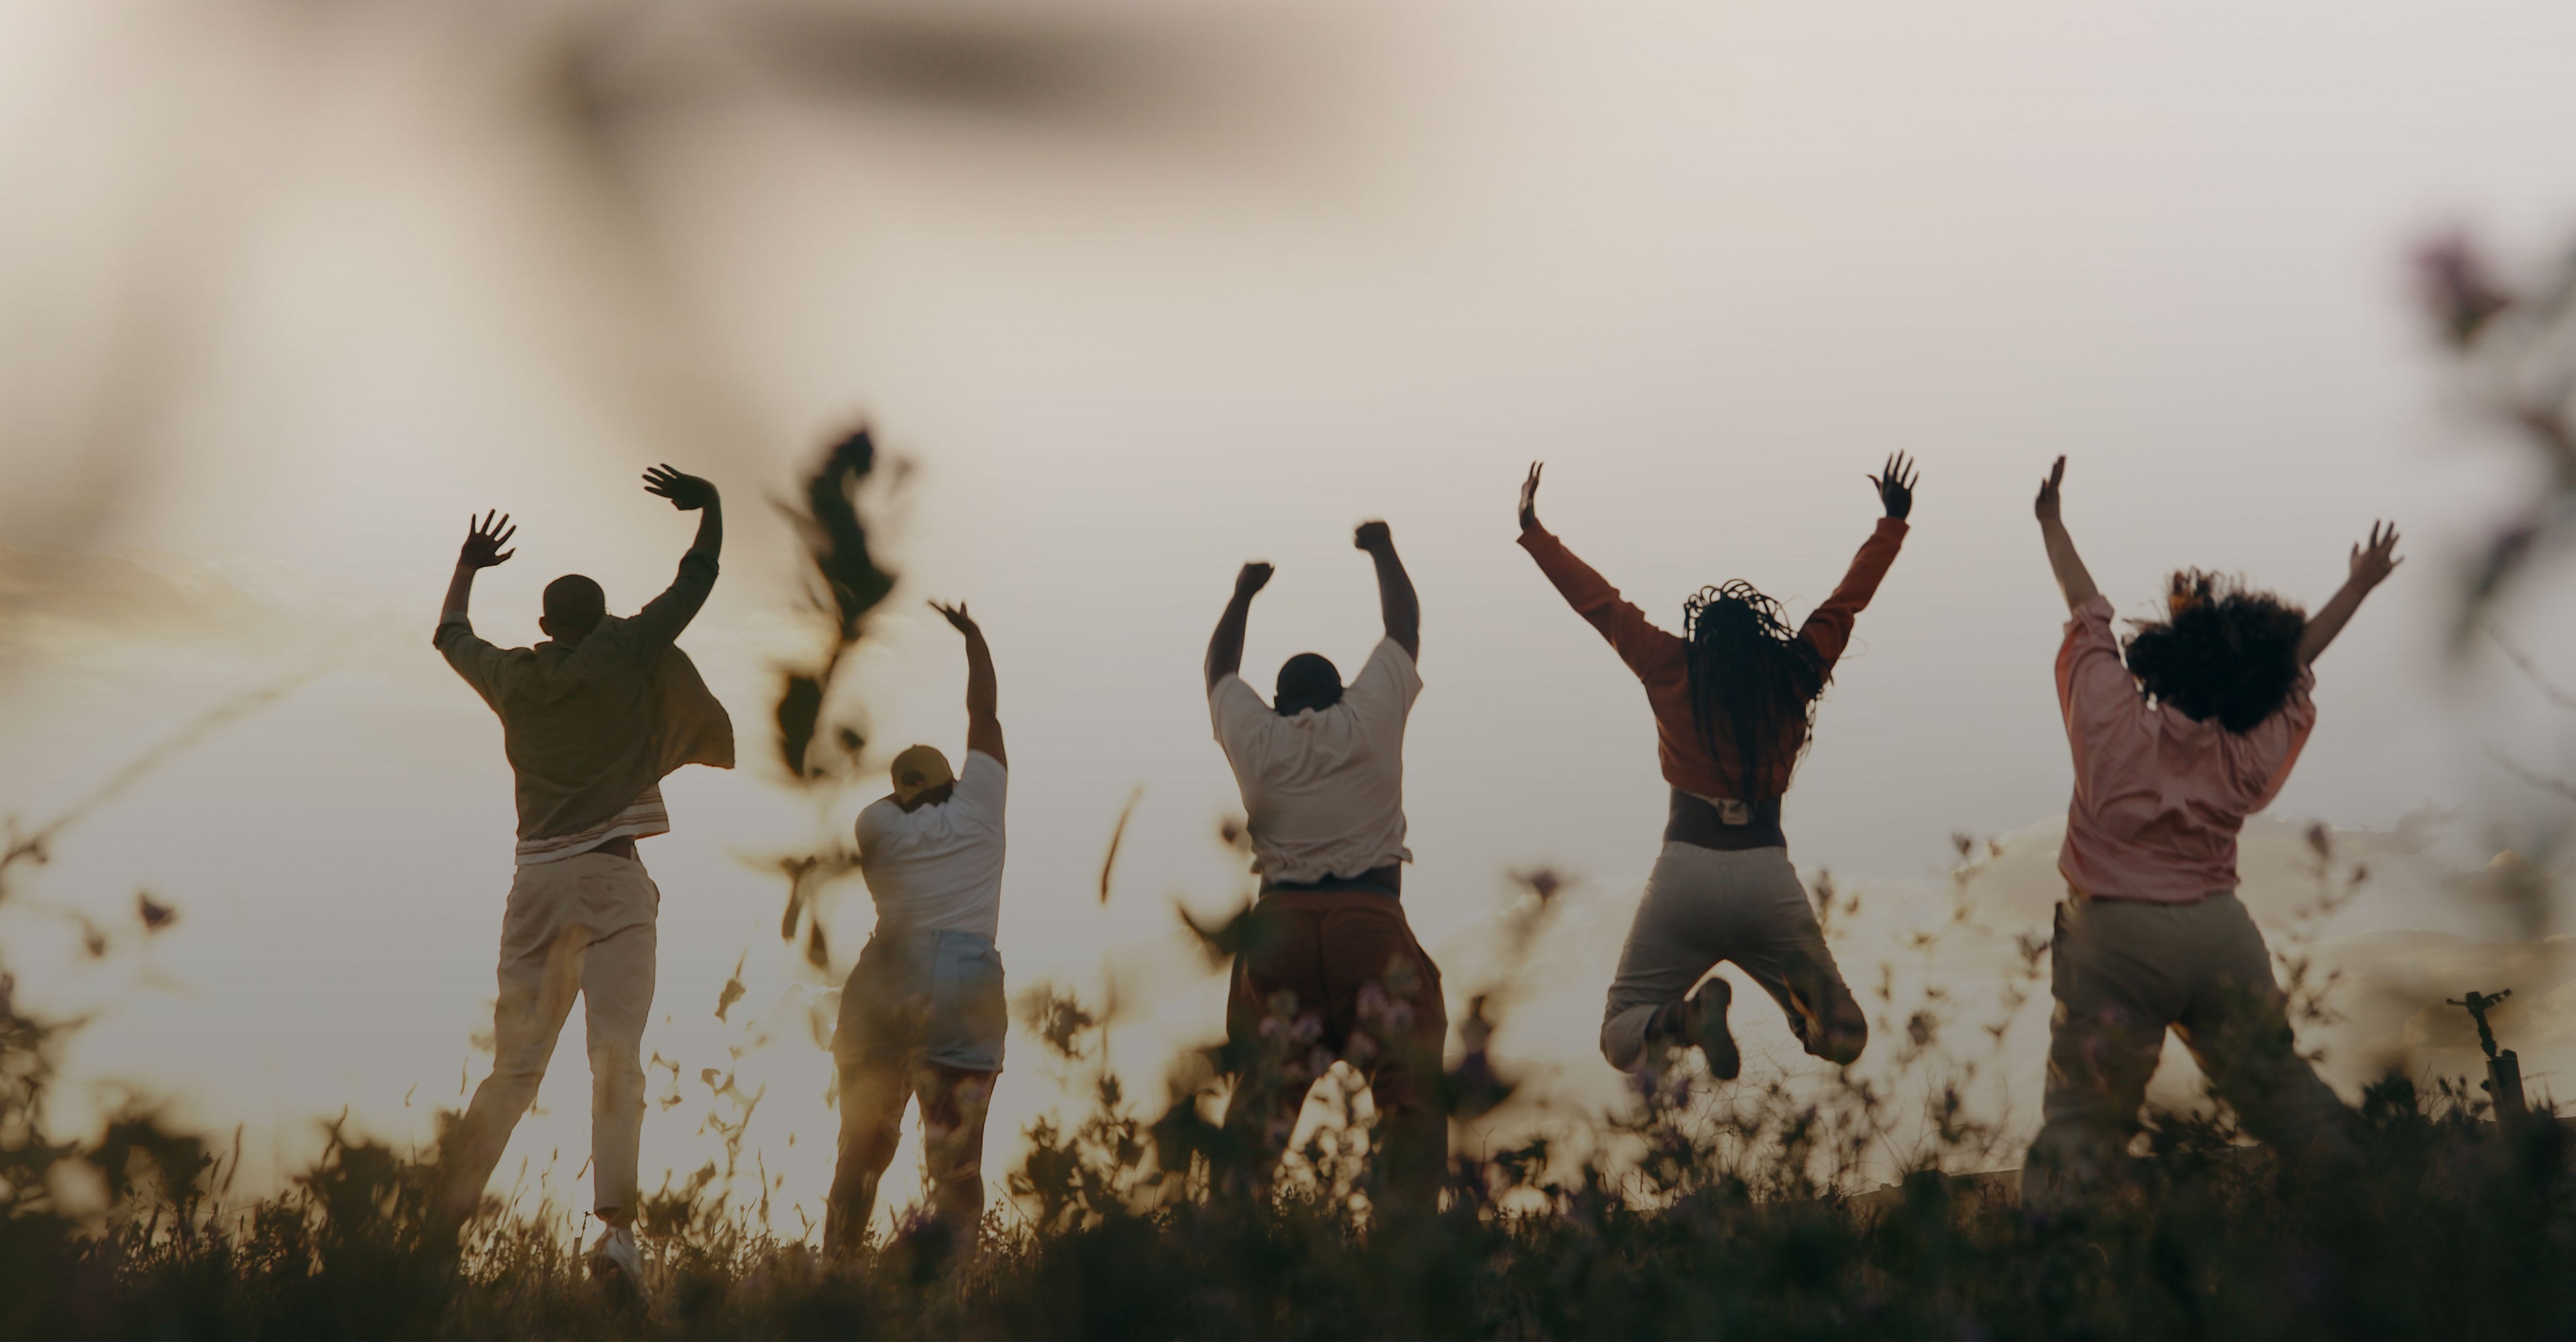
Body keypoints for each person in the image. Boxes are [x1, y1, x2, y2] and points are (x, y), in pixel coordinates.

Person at [2023, 456, 2396, 1210]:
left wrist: (2051, 523)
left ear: (2164, 658)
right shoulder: (2244, 754)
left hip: (2117, 936)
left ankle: (2051, 1256)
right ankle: (2381, 1211)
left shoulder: (2110, 721)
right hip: (2221, 936)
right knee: (2287, 1096)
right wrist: (2356, 588)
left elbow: (2087, 609)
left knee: (2082, 1125)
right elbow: (2291, 664)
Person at [431, 466, 733, 1300]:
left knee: (513, 1071)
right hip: (610, 882)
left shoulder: (513, 677)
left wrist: (467, 565)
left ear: (543, 624)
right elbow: (696, 578)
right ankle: (618, 1238)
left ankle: (436, 1231)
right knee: (616, 1057)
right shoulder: (623, 648)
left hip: (533, 887)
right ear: (597, 621)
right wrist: (710, 504)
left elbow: (450, 633)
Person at [1516, 456, 1915, 1078]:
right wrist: (1892, 523)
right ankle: (1811, 1013)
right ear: (1763, 635)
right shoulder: (1795, 673)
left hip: (1686, 878)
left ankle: (1682, 1021)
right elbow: (1847, 602)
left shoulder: (1670, 664)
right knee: (1847, 1039)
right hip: (1767, 883)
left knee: (1621, 1037)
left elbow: (1600, 604)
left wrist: (1535, 532)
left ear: (1704, 637)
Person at [1205, 521, 1447, 1205]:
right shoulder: (1366, 718)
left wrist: (1242, 594)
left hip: (1279, 930)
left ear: (1276, 704)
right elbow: (1404, 628)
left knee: (1263, 1096)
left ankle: (1226, 1233)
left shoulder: (1257, 737)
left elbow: (1219, 671)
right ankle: (1408, 1235)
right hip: (1368, 919)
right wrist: (1382, 549)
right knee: (1408, 1088)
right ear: (1342, 692)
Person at [826, 601, 1009, 1259]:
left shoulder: (876, 825)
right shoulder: (980, 806)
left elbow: (889, 803)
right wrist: (974, 638)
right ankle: (950, 1284)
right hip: (966, 978)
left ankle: (838, 1270)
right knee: (957, 1159)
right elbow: (984, 716)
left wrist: (907, 795)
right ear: (952, 783)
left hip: (888, 975)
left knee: (863, 1148)